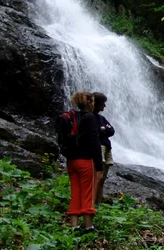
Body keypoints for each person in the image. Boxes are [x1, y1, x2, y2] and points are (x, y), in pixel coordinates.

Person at [65, 91, 103, 232]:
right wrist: (99, 166)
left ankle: (74, 226)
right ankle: (88, 226)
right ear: (88, 103)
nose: (94, 104)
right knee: (88, 192)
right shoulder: (90, 118)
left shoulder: (73, 117)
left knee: (75, 193)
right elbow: (94, 142)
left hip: (71, 161)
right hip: (85, 161)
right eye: (92, 101)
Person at [93, 92, 115, 206]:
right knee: (98, 176)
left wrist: (104, 130)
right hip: (99, 146)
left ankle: (99, 202)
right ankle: (92, 202)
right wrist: (103, 130)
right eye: (103, 103)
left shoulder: (102, 118)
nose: (105, 106)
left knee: (103, 178)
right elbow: (95, 132)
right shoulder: (89, 117)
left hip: (107, 147)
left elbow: (112, 131)